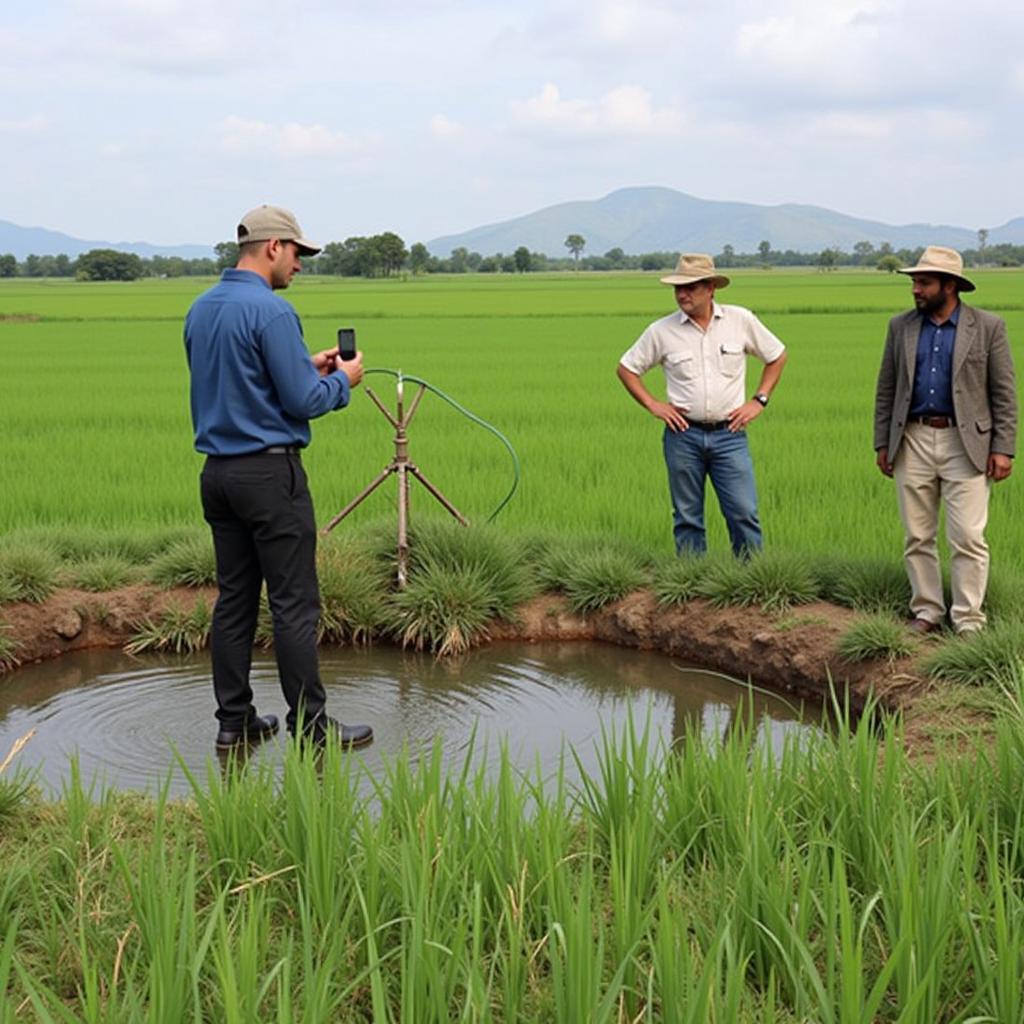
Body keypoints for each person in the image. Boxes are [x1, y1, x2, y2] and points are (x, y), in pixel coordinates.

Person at [184, 204, 373, 750]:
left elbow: (238, 381)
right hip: (270, 475)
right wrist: (343, 381)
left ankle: (234, 722)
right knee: (294, 603)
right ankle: (311, 727)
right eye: (296, 253)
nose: (300, 264)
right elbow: (304, 402)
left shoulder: (201, 308)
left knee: (235, 600)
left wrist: (303, 366)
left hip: (218, 476)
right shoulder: (272, 312)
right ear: (272, 247)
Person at [874, 245, 1017, 635]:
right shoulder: (900, 327)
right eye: (915, 283)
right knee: (918, 534)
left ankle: (968, 620)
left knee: (968, 536)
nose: (915, 290)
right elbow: (887, 389)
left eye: (924, 283)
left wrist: (1003, 448)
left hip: (965, 443)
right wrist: (883, 442)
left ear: (949, 285)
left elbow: (1004, 393)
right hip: (913, 438)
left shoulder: (988, 327)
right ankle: (927, 611)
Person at [617, 253, 787, 555]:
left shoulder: (740, 320)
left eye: (691, 287)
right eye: (678, 288)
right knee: (687, 516)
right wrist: (654, 404)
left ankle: (751, 577)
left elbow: (777, 356)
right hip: (683, 435)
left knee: (743, 512)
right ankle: (692, 579)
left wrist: (759, 400)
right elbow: (627, 368)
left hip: (730, 435)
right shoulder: (661, 330)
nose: (682, 294)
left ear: (711, 288)